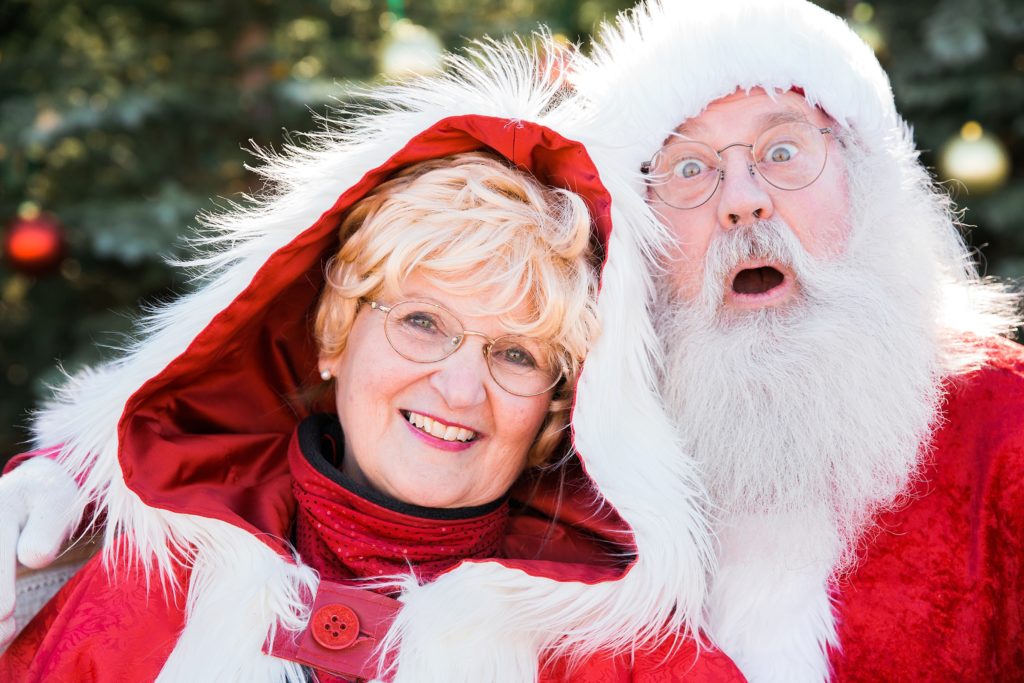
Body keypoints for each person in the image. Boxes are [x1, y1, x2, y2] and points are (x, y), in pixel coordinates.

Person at [0, 43, 742, 682]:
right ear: (333, 335)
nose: (459, 387)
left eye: (516, 353)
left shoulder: (625, 653)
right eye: (423, 322)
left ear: (557, 412)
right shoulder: (149, 581)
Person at [564, 0, 1024, 680]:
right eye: (689, 169)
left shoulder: (1004, 423)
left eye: (783, 151)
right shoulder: (583, 463)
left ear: (863, 185)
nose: (742, 199)